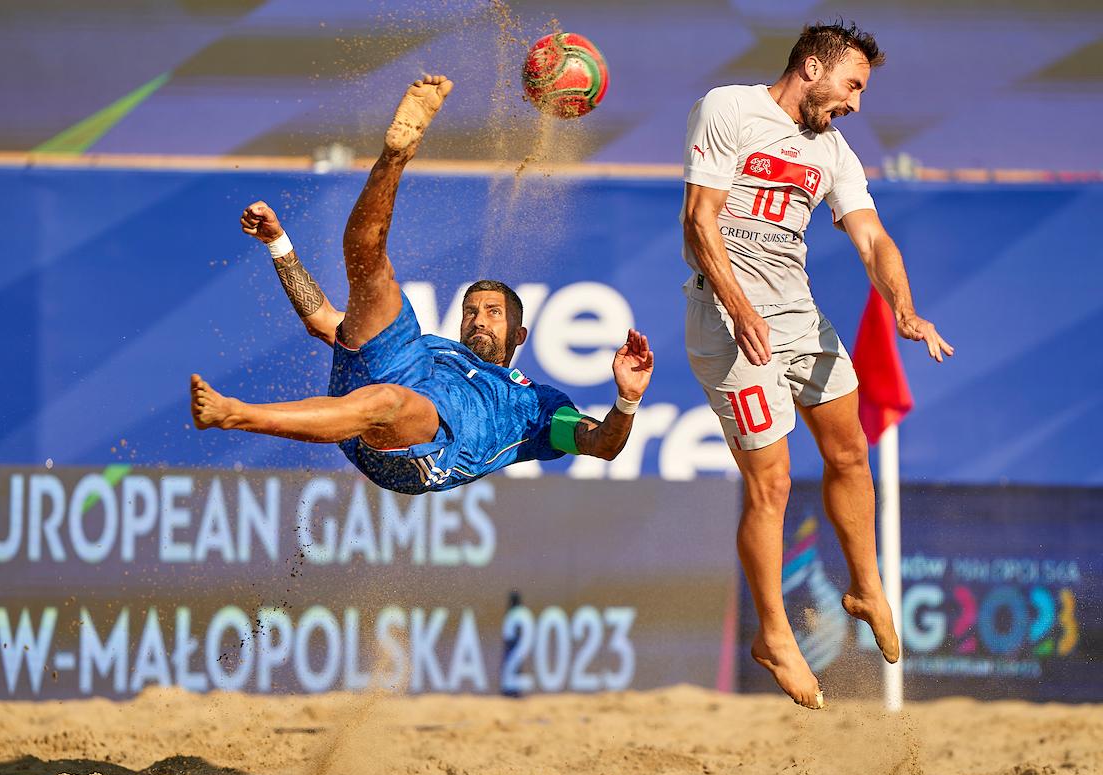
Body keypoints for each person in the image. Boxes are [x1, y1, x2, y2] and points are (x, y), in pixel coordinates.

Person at [192, 75, 654, 494]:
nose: (478, 320)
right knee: (372, 270)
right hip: (406, 375)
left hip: (424, 454)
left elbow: (601, 444)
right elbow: (321, 320)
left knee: (389, 400)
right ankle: (397, 155)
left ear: (519, 336)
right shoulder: (437, 350)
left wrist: (628, 399)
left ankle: (236, 413)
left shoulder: (537, 406)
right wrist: (278, 243)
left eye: (494, 313)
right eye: (471, 311)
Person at [680, 23, 953, 708]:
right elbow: (698, 220)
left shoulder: (832, 151)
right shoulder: (729, 109)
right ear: (811, 67)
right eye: (853, 85)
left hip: (799, 319)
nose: (857, 104)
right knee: (770, 484)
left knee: (850, 452)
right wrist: (740, 308)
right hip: (727, 320)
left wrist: (904, 307)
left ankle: (865, 587)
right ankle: (774, 634)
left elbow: (873, 239)